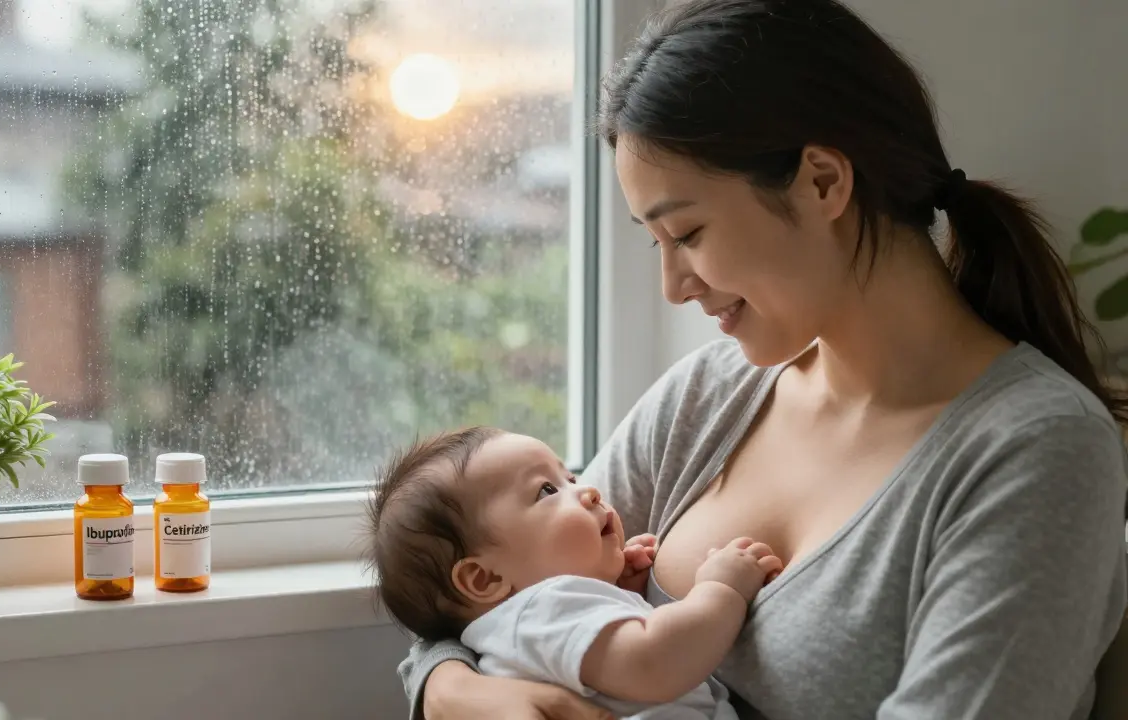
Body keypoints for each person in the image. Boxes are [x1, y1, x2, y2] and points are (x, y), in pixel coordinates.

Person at [397, 0, 1128, 718]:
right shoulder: (709, 396)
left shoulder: (1038, 449)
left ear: (822, 182)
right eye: (658, 245)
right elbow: (480, 600)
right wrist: (460, 692)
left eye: (686, 233)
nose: (675, 286)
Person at [367, 427, 784, 719]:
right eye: (547, 490)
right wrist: (720, 589)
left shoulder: (525, 624)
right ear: (484, 580)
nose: (588, 490)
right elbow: (653, 663)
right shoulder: (542, 610)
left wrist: (619, 590)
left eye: (568, 477)